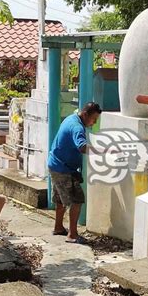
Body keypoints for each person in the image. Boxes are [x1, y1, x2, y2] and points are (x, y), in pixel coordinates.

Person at [49, 102, 102, 243]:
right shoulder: (77, 127)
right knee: (77, 200)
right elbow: (82, 147)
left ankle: (58, 227)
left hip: (55, 164)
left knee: (60, 199)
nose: (94, 122)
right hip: (64, 168)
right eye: (93, 119)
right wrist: (104, 151)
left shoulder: (71, 118)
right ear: (85, 114)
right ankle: (72, 235)